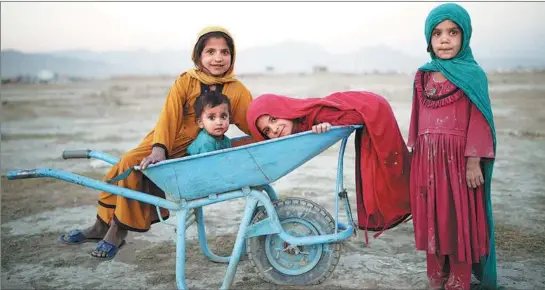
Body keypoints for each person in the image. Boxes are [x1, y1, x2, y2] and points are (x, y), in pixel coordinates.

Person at [58, 26, 253, 260]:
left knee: (132, 166)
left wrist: (283, 131)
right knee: (124, 165)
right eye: (210, 52)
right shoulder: (186, 81)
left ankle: (117, 231)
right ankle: (101, 226)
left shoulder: (237, 90)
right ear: (198, 56)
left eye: (224, 52)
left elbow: (252, 121)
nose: (218, 58)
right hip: (164, 138)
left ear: (232, 56)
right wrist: (159, 149)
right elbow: (168, 116)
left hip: (193, 151)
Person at [407, 3, 498, 290]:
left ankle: (459, 278)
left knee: (459, 219)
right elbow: (417, 120)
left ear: (465, 36)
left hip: (458, 163)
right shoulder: (422, 75)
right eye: (437, 33)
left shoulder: (473, 75)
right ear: (428, 39)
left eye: (452, 32)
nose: (444, 39)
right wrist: (416, 155)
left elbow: (480, 121)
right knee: (432, 216)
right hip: (427, 161)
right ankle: (436, 275)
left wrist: (474, 161)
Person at [246, 91, 412, 243]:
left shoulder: (317, 114)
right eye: (267, 130)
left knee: (392, 166)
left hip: (372, 108)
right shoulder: (301, 123)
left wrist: (328, 124)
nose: (274, 129)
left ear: (284, 109)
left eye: (274, 119)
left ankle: (410, 198)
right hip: (367, 103)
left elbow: (356, 116)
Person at [186, 90, 232, 156]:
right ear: (200, 122)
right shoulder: (205, 144)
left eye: (223, 117)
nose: (219, 122)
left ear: (229, 119)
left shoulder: (226, 140)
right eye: (212, 118)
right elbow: (209, 165)